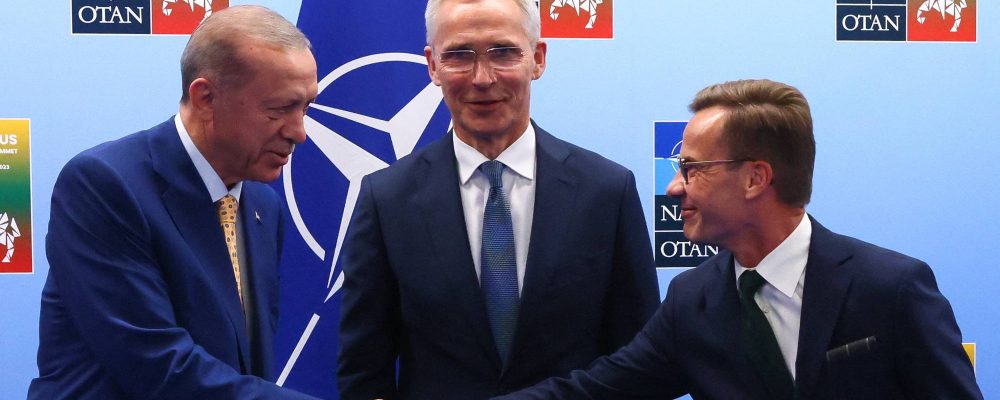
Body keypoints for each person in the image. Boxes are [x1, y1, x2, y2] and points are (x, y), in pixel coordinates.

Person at [495, 79, 983, 399]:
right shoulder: (692, 301)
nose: (673, 187)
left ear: (755, 178)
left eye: (691, 169)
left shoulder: (890, 288)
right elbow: (596, 391)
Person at [335, 0, 660, 398]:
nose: (483, 78)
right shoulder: (386, 199)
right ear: (432, 65)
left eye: (504, 52)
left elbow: (639, 362)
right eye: (459, 55)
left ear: (537, 59)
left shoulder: (607, 191)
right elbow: (365, 370)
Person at [28, 6, 320, 399]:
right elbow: (157, 367)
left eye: (305, 108)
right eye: (279, 109)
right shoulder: (104, 185)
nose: (299, 133)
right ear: (205, 97)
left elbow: (246, 367)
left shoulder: (262, 207)